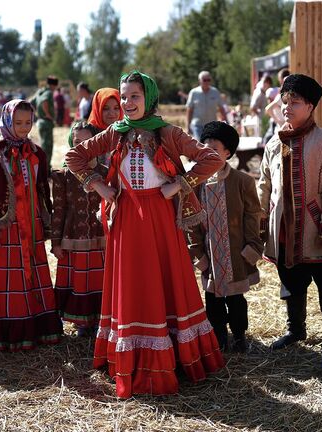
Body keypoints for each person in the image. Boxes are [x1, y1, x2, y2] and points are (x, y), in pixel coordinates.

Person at [65, 70, 225, 398]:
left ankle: (173, 358)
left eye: (134, 96)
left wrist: (179, 185)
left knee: (163, 279)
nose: (127, 103)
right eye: (124, 97)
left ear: (148, 98)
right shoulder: (115, 133)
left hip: (160, 218)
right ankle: (132, 358)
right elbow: (75, 157)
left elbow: (211, 159)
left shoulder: (167, 132)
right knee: (133, 283)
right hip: (126, 217)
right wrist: (99, 186)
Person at [256, 74, 322, 350]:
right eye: (284, 101)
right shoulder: (273, 142)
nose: (287, 107)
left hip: (314, 227)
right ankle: (296, 330)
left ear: (311, 107)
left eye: (295, 102)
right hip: (282, 226)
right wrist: (261, 218)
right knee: (290, 281)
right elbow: (264, 183)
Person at [0, 99, 63, 351]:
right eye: (18, 123)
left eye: (28, 122)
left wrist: (48, 220)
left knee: (34, 272)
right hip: (7, 226)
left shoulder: (37, 152)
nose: (24, 128)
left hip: (33, 223)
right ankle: (8, 332)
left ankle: (38, 328)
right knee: (9, 277)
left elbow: (41, 189)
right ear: (6, 121)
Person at [51, 88, 123, 337]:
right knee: (78, 279)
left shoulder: (106, 172)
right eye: (77, 143)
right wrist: (56, 241)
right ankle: (81, 322)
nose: (82, 147)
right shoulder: (63, 176)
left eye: (87, 143)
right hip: (75, 236)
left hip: (101, 235)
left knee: (100, 278)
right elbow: (58, 208)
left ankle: (101, 319)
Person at [187, 121, 262, 353]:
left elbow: (253, 216)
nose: (207, 154)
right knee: (213, 302)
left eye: (214, 149)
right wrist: (197, 252)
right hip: (210, 257)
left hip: (236, 255)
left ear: (227, 153)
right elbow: (191, 221)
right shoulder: (195, 183)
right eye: (204, 148)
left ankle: (239, 337)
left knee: (237, 301)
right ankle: (218, 338)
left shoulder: (243, 181)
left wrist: (252, 248)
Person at [186, 71, 227, 140]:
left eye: (209, 80)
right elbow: (189, 110)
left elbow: (221, 108)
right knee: (200, 144)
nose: (207, 82)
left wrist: (225, 122)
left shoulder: (215, 92)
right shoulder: (194, 93)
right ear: (199, 81)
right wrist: (188, 126)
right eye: (204, 80)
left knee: (210, 146)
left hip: (211, 126)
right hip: (197, 125)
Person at [35, 76, 57, 169]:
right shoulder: (48, 92)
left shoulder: (40, 92)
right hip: (46, 122)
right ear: (54, 85)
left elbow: (31, 102)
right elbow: (45, 101)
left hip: (40, 121)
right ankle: (45, 169)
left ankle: (44, 167)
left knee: (43, 145)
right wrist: (48, 114)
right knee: (47, 148)